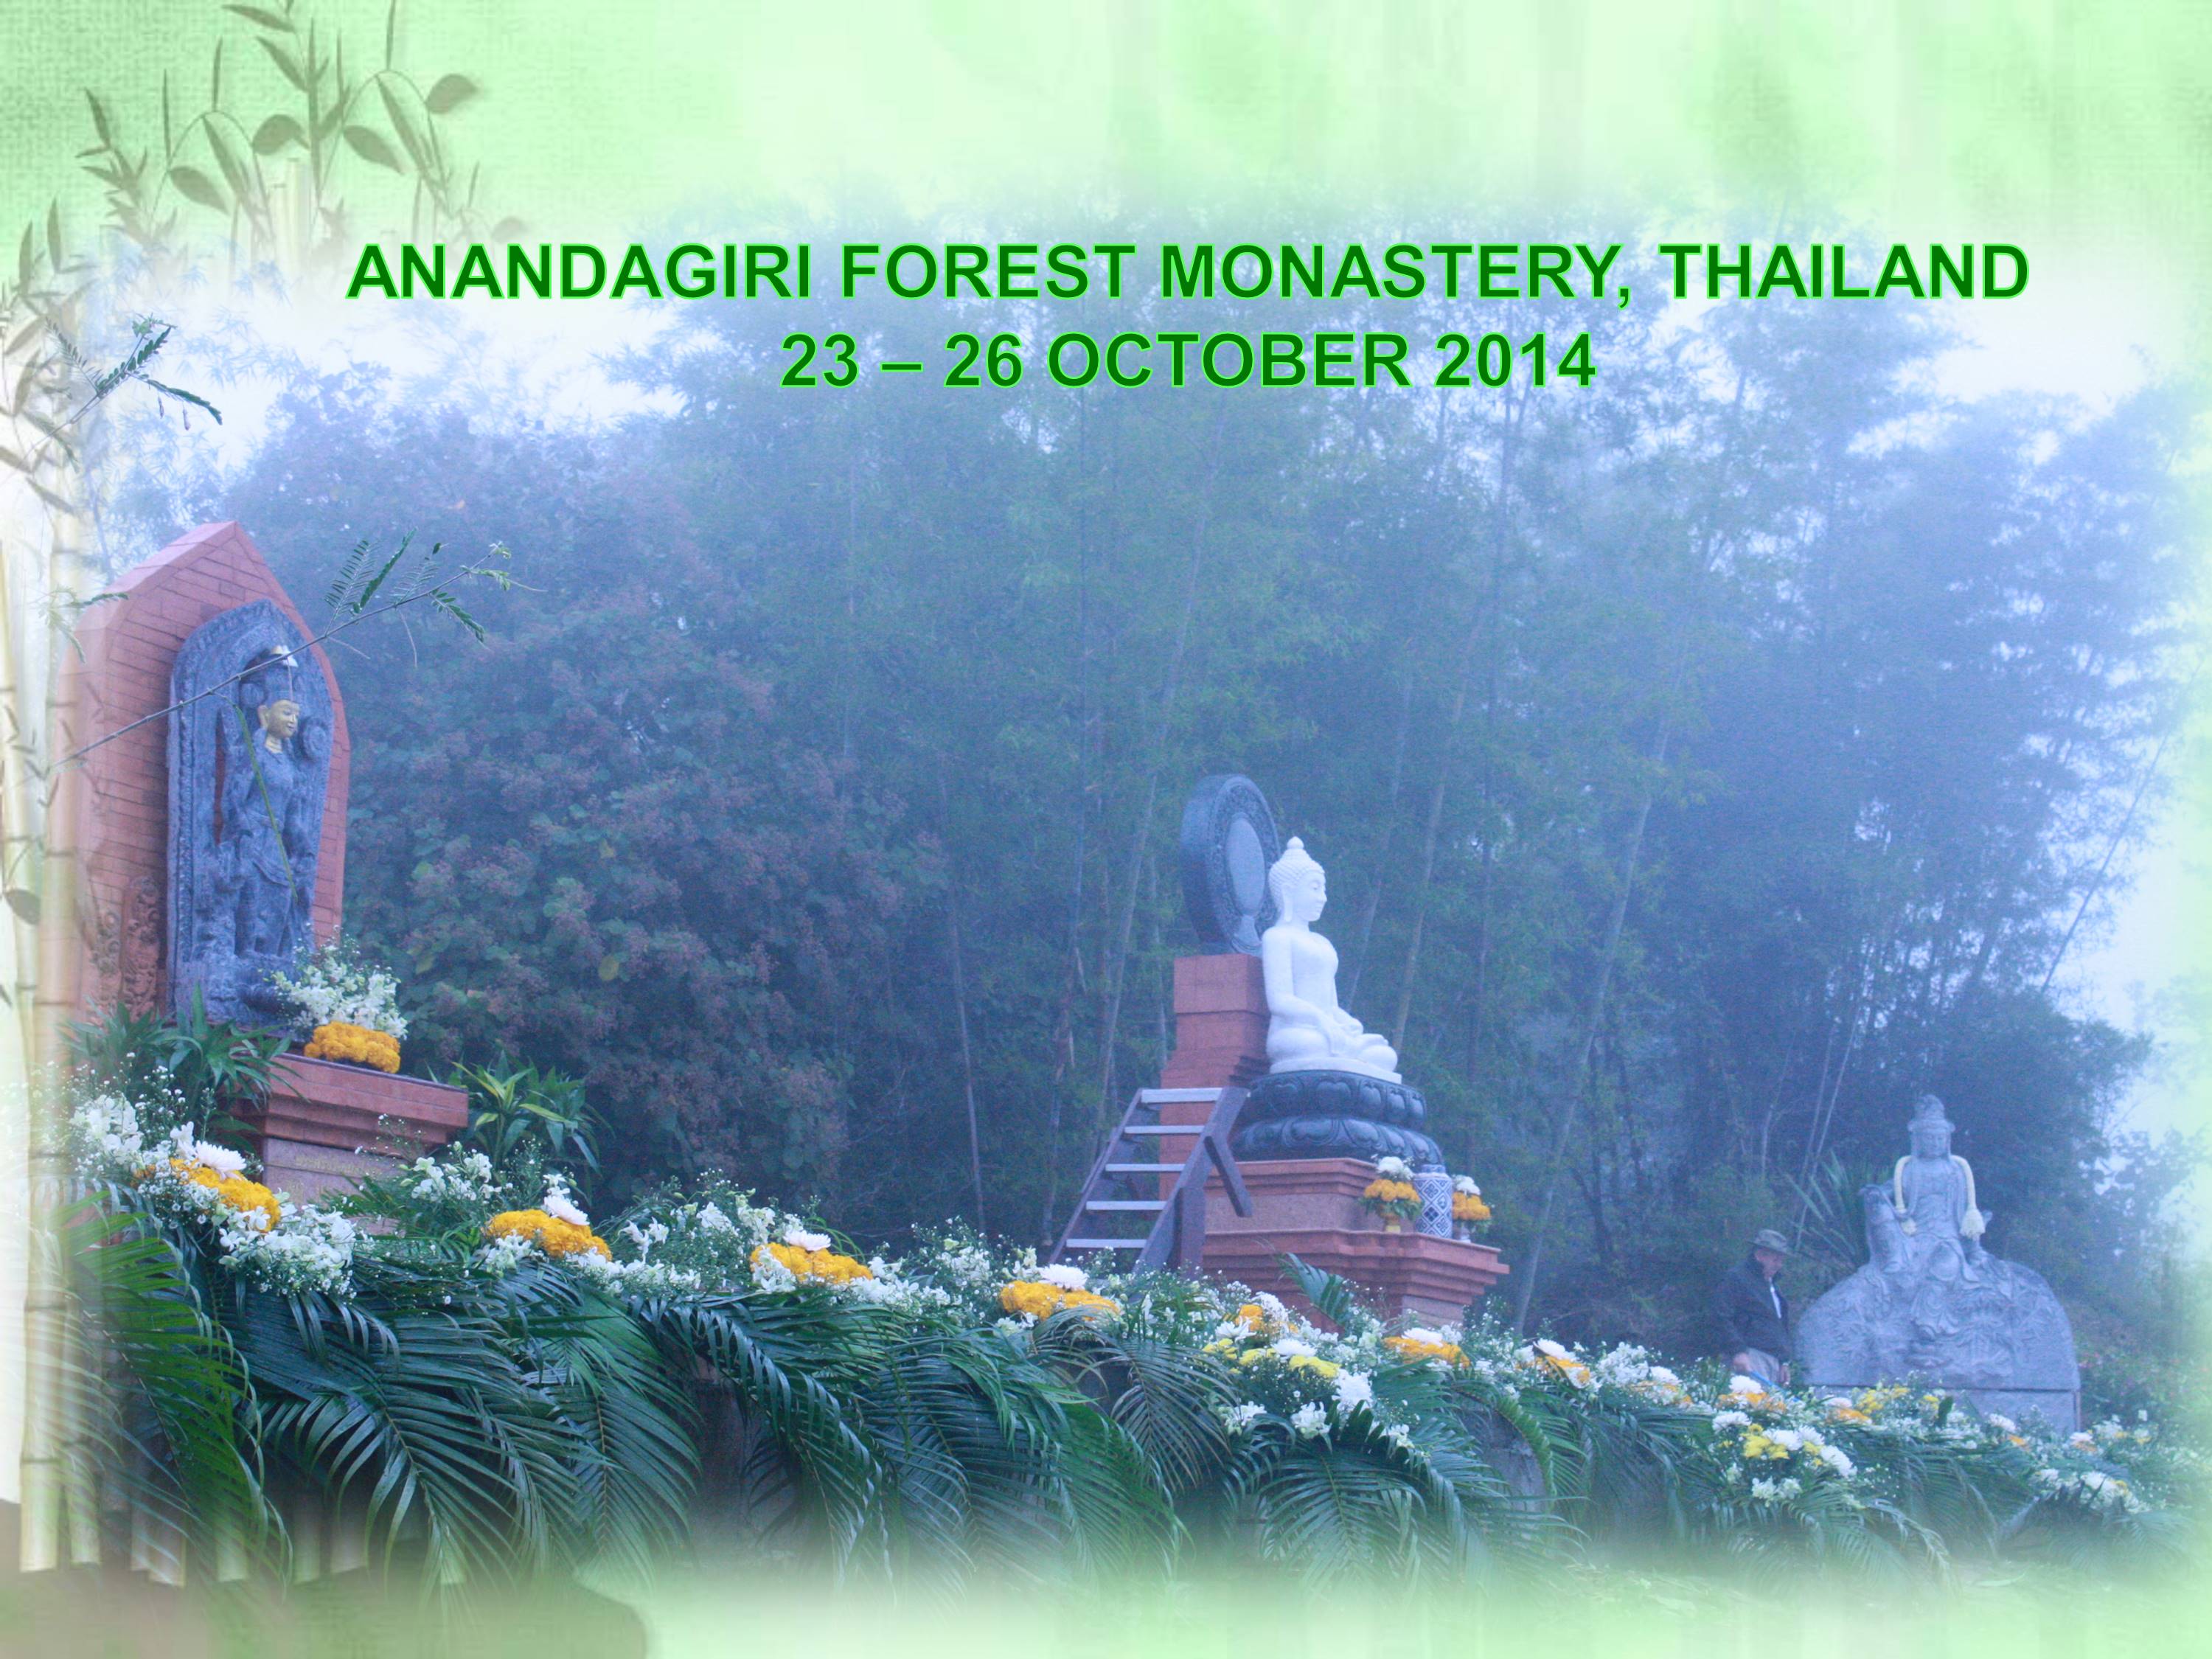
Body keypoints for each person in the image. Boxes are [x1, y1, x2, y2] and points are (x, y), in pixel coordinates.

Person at [1714, 1228, 1793, 1388]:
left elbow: (1779, 1326)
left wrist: (1783, 1361)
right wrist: (1738, 1351)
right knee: (1749, 1402)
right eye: (1776, 1259)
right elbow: (1721, 1316)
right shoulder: (1737, 1278)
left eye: (1781, 1260)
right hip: (1750, 1358)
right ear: (1760, 1255)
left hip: (1773, 1362)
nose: (1779, 1265)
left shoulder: (1773, 1287)